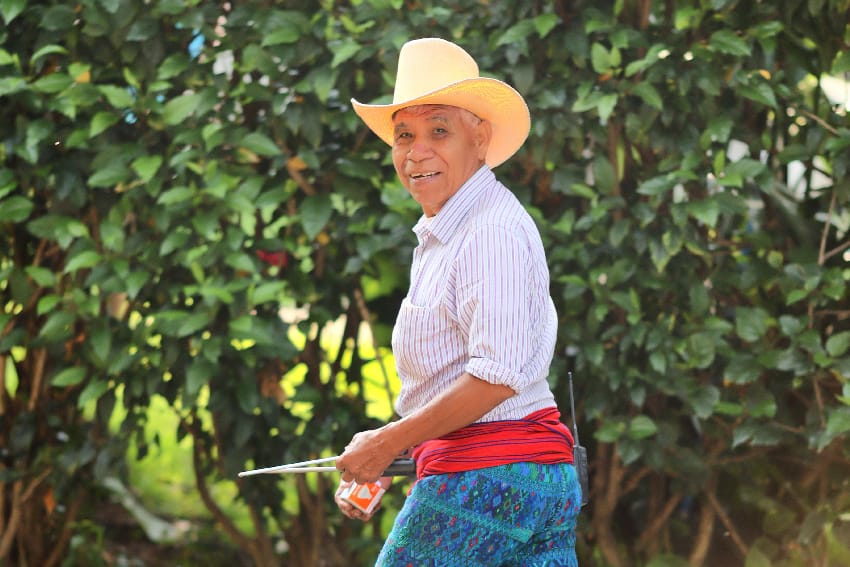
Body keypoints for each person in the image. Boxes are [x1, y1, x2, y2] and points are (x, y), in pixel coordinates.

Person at [334, 37, 581, 566]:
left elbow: (496, 377)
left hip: (491, 476)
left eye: (438, 131)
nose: (416, 151)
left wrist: (387, 441)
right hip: (520, 478)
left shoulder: (489, 230)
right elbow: (448, 382)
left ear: (481, 139)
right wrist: (394, 454)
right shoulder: (447, 230)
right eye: (404, 135)